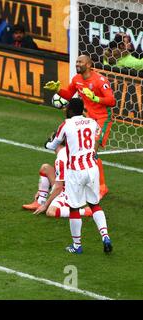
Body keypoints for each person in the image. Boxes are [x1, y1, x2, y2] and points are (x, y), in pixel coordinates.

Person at [45, 98, 112, 254]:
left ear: (70, 110)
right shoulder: (92, 122)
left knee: (74, 207)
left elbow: (54, 144)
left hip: (75, 171)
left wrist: (47, 144)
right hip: (92, 168)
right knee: (95, 205)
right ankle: (105, 236)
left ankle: (77, 246)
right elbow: (98, 135)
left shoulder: (66, 125)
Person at [43, 55, 116, 199]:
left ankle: (101, 187)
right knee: (86, 152)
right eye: (76, 61)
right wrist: (58, 90)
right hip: (88, 118)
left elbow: (112, 101)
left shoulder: (100, 80)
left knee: (92, 152)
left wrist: (95, 98)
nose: (77, 64)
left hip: (102, 119)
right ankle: (88, 184)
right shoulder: (76, 79)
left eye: (80, 62)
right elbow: (69, 95)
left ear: (88, 65)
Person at [23, 139, 93, 218]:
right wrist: (40, 191)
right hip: (77, 185)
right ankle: (40, 202)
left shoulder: (61, 159)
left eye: (52, 139)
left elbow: (59, 187)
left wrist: (46, 205)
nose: (50, 141)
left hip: (71, 191)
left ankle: (85, 211)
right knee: (45, 168)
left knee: (51, 212)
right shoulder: (67, 151)